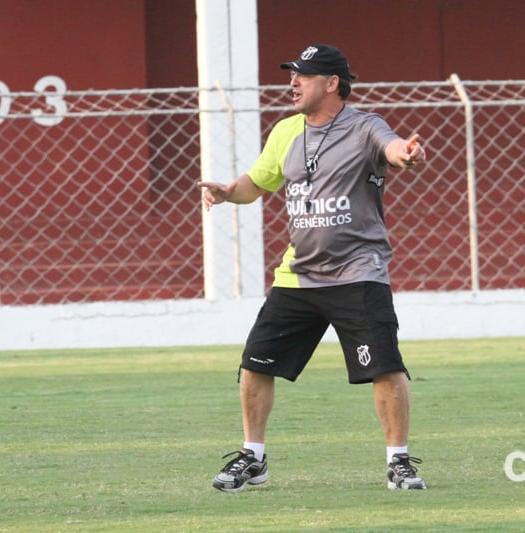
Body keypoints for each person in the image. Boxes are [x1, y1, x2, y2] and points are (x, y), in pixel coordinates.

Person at [199, 44, 428, 492]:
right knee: (255, 364)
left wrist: (407, 154)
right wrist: (230, 190)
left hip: (358, 272)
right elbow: (258, 182)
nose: (292, 82)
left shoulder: (365, 128)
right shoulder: (285, 132)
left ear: (331, 83)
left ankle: (398, 462)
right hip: (298, 274)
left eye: (302, 76)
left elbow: (395, 149)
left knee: (385, 367)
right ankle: (253, 458)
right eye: (293, 75)